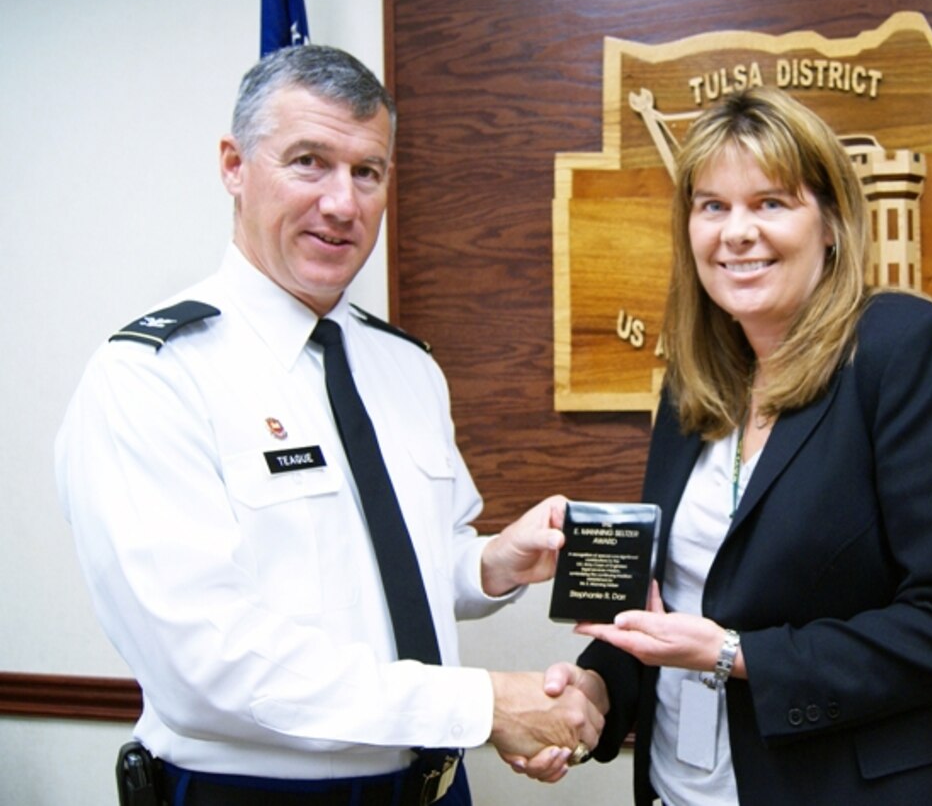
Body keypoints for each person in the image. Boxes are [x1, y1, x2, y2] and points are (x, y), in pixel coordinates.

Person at [55, 44, 601, 805]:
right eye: (309, 161)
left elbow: (393, 572)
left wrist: (490, 565)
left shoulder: (405, 366)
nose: (343, 204)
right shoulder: (152, 379)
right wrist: (482, 704)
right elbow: (208, 665)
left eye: (367, 171)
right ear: (233, 165)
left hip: (438, 787)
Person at [520, 87, 932, 804]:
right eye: (713, 206)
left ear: (830, 221)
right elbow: (682, 604)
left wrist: (739, 655)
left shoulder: (904, 350)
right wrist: (596, 686)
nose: (737, 232)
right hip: (685, 787)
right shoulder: (691, 386)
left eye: (770, 203)